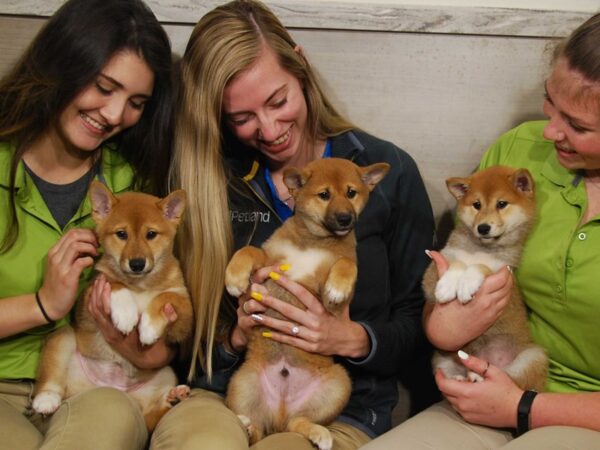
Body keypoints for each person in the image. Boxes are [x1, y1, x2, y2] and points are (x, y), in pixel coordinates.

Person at [151, 1, 436, 449]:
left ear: (300, 67)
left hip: (337, 401)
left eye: (278, 101)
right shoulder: (210, 186)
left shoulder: (388, 172)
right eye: (241, 118)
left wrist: (354, 339)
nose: (269, 130)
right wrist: (235, 337)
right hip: (231, 391)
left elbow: (420, 325)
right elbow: (187, 341)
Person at [361, 12, 600, 450]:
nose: (550, 131)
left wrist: (524, 406)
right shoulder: (518, 151)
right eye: (551, 102)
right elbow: (447, 283)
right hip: (481, 389)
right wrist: (443, 327)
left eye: (579, 126)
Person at [0, 0, 177, 449]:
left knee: (109, 418)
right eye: (104, 87)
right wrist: (44, 304)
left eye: (136, 102)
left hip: (100, 386)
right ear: (64, 63)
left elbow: (161, 343)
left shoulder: (131, 189)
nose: (115, 115)